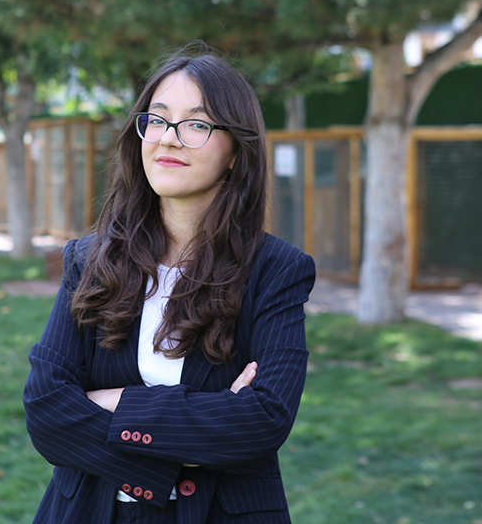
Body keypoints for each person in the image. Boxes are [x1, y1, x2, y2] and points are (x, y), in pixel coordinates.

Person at [23, 43, 315, 524]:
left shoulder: (276, 270)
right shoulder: (88, 260)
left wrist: (116, 403)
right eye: (157, 120)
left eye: (196, 125)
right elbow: (47, 413)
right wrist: (187, 446)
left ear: (236, 153)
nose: (168, 140)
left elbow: (263, 420)